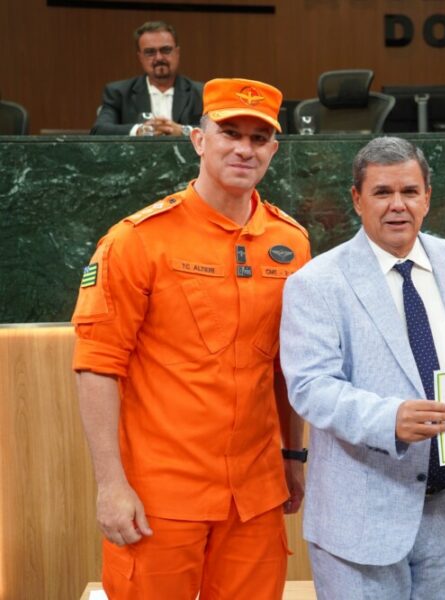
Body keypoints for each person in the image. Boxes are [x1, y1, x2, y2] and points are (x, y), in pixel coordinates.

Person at [72, 77, 310, 599]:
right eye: (230, 132)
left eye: (259, 137)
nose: (244, 148)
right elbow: (97, 365)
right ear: (198, 139)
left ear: (273, 148)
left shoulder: (291, 243)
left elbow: (287, 369)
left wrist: (294, 458)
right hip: (160, 496)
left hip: (254, 496)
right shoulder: (138, 240)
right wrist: (111, 486)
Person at [280, 136, 445, 600]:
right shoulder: (314, 282)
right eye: (382, 192)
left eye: (410, 192)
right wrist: (388, 419)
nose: (398, 205)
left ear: (428, 197)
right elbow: (310, 386)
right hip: (359, 518)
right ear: (357, 199)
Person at [91, 21, 203, 136]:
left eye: (166, 50)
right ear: (140, 57)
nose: (159, 58)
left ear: (177, 52)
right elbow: (99, 130)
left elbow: (218, 130)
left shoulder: (201, 92)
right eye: (150, 52)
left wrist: (183, 131)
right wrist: (140, 130)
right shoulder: (118, 93)